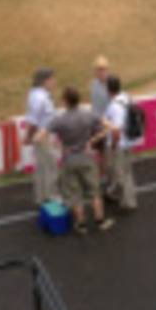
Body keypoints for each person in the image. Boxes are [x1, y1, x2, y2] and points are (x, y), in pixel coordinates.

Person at [48, 87, 110, 234]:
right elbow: (108, 127)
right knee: (94, 191)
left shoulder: (59, 119)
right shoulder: (88, 115)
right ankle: (100, 221)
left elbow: (47, 137)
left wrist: (59, 147)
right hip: (86, 156)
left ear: (65, 101)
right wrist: (92, 141)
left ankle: (81, 225)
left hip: (69, 159)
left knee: (75, 194)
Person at [102, 74, 138, 214]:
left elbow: (116, 131)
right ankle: (117, 194)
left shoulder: (114, 106)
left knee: (121, 173)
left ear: (108, 90)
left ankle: (128, 202)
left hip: (120, 145)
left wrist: (113, 146)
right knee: (126, 171)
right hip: (129, 141)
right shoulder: (126, 97)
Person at [23, 68, 59, 204]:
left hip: (42, 135)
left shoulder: (35, 95)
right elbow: (33, 120)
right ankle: (51, 197)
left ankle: (42, 197)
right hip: (42, 135)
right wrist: (28, 136)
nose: (54, 82)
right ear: (45, 81)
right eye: (52, 79)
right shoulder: (40, 97)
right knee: (50, 167)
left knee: (42, 168)